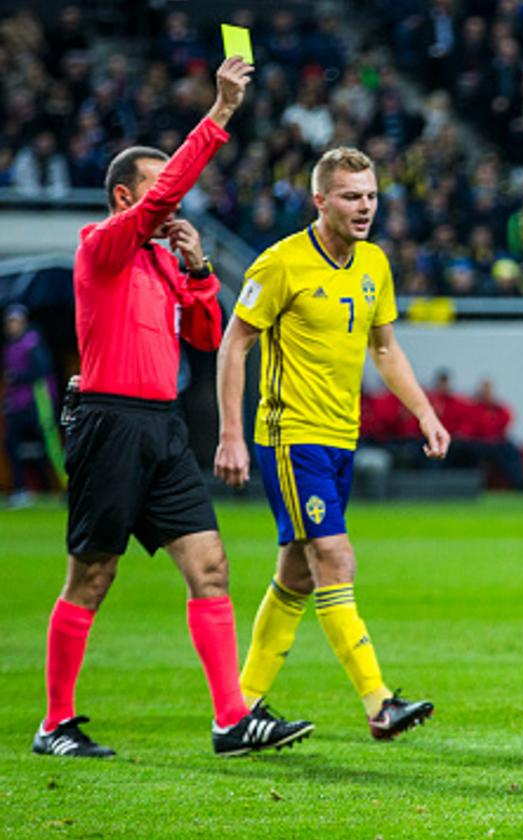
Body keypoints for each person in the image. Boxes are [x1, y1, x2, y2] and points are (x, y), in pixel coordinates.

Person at [34, 57, 314, 759]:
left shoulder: (159, 260)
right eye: (159, 189)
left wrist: (196, 273)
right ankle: (55, 724)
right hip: (108, 422)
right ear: (126, 195)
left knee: (210, 565)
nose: (173, 202)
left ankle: (230, 719)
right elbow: (163, 203)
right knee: (93, 574)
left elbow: (206, 336)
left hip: (160, 427)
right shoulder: (100, 247)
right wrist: (218, 115)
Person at [214, 146, 451, 740]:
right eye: (351, 195)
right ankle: (379, 703)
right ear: (319, 200)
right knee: (335, 558)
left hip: (341, 436)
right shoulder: (279, 264)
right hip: (290, 436)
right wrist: (231, 435)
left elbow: (385, 349)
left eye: (370, 195)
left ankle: (238, 712)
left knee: (296, 574)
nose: (364, 206)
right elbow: (234, 344)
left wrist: (424, 411)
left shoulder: (373, 263)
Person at [3, 305, 63, 506]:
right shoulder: (10, 346)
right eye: (10, 322)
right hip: (16, 404)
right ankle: (20, 490)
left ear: (23, 322)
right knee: (12, 445)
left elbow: (41, 371)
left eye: (16, 321)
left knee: (49, 446)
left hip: (38, 403)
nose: (12, 326)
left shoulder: (33, 343)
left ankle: (65, 487)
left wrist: (17, 377)